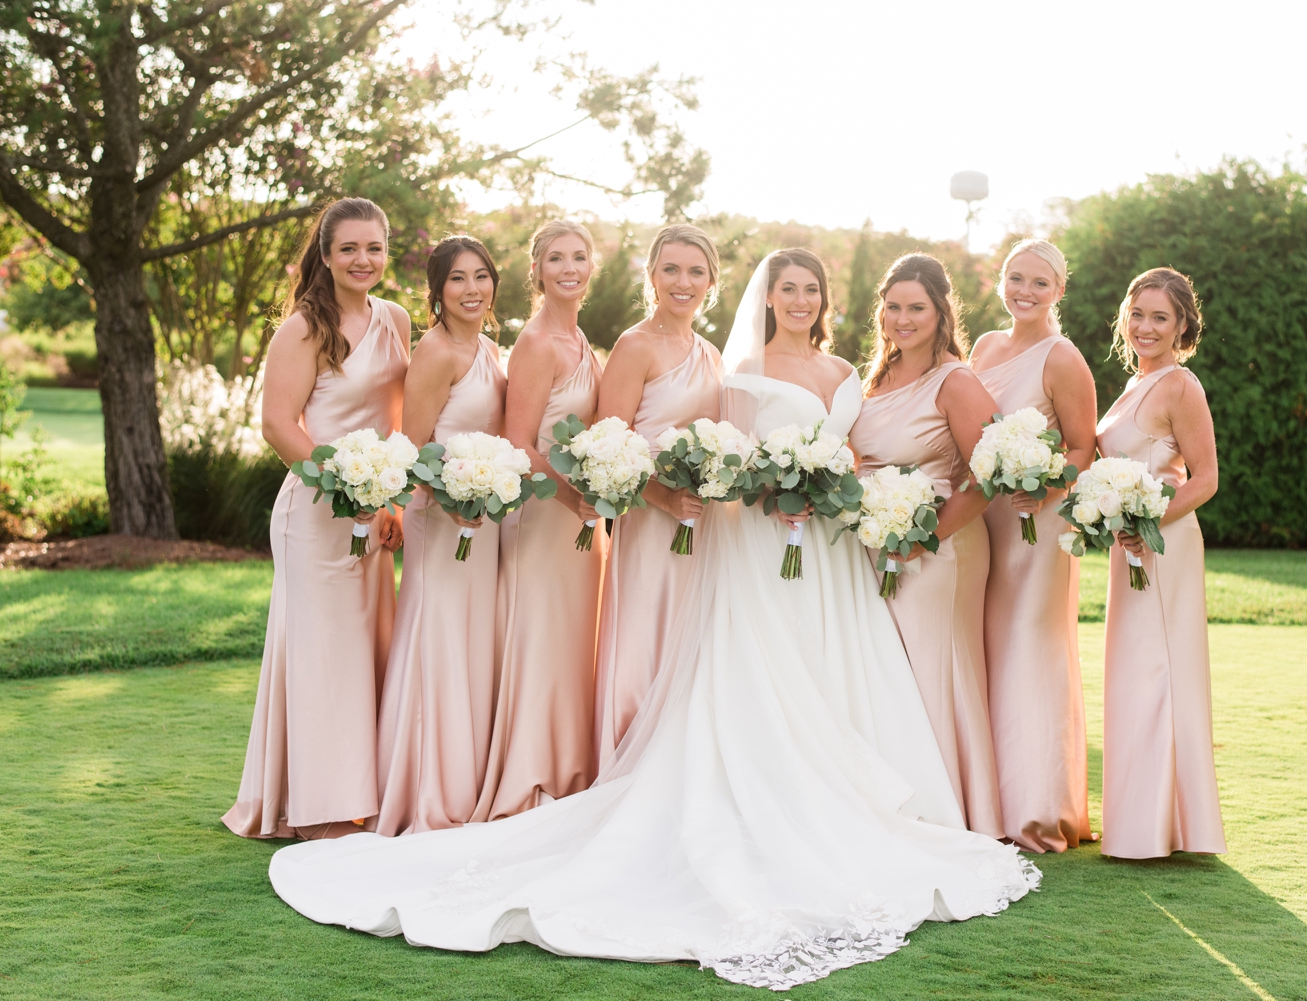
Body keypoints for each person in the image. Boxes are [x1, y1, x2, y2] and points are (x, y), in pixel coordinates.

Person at [267, 250, 1039, 990]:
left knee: (824, 676)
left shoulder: (849, 376)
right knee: (754, 678)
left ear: (826, 300)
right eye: (787, 288)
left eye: (811, 289)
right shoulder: (738, 370)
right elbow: (729, 451)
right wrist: (750, 484)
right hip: (756, 537)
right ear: (768, 298)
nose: (798, 300)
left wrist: (831, 482)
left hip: (830, 553)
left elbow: (860, 454)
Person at [223, 197, 409, 840]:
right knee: (324, 656)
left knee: (364, 654)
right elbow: (279, 424)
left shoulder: (397, 320)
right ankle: (318, 811)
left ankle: (359, 796)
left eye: (374, 248)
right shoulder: (302, 327)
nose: (363, 260)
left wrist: (385, 497)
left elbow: (397, 422)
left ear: (386, 252)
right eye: (350, 248)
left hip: (375, 515)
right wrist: (343, 485)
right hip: (316, 515)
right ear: (326, 255)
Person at [848, 253, 1004, 837]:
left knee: (932, 670)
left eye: (917, 308)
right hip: (877, 543)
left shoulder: (956, 381)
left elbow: (992, 474)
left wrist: (923, 538)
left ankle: (954, 813)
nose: (902, 319)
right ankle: (902, 805)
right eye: (893, 307)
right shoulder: (875, 378)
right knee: (891, 674)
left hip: (941, 549)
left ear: (942, 313)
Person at [374, 235, 507, 836]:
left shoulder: (489, 349)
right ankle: (423, 788)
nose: (472, 289)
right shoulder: (433, 352)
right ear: (437, 290)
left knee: (472, 642)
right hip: (444, 518)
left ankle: (467, 777)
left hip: (484, 521)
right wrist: (451, 500)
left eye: (481, 276)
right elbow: (413, 448)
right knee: (438, 637)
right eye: (458, 279)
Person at [968, 238, 1097, 853]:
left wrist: (1043, 486)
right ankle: (988, 799)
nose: (1025, 291)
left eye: (1039, 283)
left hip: (1036, 524)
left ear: (1059, 291)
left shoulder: (1063, 357)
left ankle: (1038, 812)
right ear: (1001, 280)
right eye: (1016, 278)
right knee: (988, 647)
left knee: (1028, 647)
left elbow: (1081, 447)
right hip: (983, 518)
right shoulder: (986, 347)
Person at [475, 220, 606, 821]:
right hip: (543, 514)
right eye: (557, 259)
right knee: (540, 634)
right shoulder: (535, 343)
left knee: (573, 640)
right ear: (538, 271)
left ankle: (569, 767)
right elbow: (519, 443)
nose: (570, 268)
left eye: (579, 257)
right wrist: (573, 495)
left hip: (581, 522)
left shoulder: (584, 342)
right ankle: (529, 775)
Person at [1096, 267, 1226, 859]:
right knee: (1134, 673)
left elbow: (1205, 480)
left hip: (1163, 545)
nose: (1145, 327)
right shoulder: (1133, 384)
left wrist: (1147, 526)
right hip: (1130, 547)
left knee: (1159, 673)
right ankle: (1138, 823)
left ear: (1182, 327)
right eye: (1139, 314)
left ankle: (1163, 830)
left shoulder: (1180, 385)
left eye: (1160, 318)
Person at [593, 224, 723, 764]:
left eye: (696, 271)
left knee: (688, 640)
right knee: (644, 635)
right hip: (649, 519)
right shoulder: (635, 345)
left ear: (711, 283)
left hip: (702, 525)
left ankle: (679, 763)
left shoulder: (712, 354)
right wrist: (663, 497)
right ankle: (630, 759)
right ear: (651, 277)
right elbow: (608, 445)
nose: (682, 281)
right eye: (670, 269)